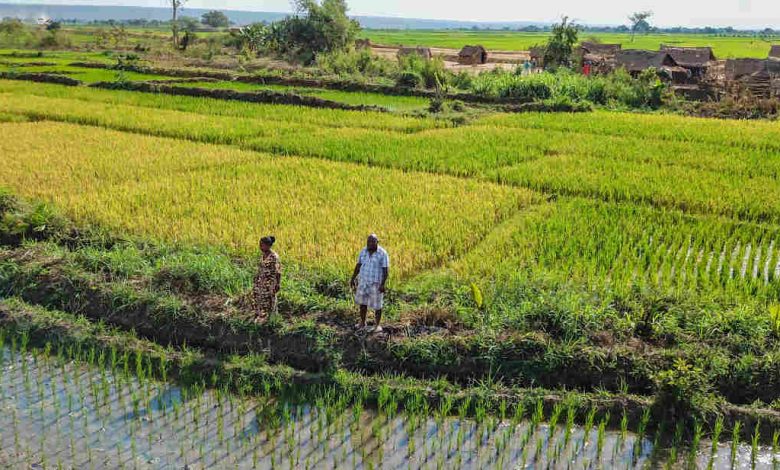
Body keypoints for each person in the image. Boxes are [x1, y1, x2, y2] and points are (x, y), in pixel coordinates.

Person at [350, 234, 389, 333]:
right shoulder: (363, 251)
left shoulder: (382, 253)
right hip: (363, 281)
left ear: (377, 242)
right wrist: (353, 278)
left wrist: (383, 284)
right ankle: (362, 323)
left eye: (372, 242)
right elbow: (358, 265)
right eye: (368, 242)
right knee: (362, 303)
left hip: (376, 283)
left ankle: (377, 326)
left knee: (377, 306)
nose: (370, 244)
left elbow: (385, 270)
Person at [253, 236, 281, 322]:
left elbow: (278, 272)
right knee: (259, 300)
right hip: (261, 283)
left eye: (262, 245)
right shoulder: (263, 255)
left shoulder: (274, 257)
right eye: (260, 244)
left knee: (270, 301)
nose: (260, 246)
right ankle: (260, 317)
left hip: (270, 284)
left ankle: (271, 320)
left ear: (268, 245)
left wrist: (277, 284)